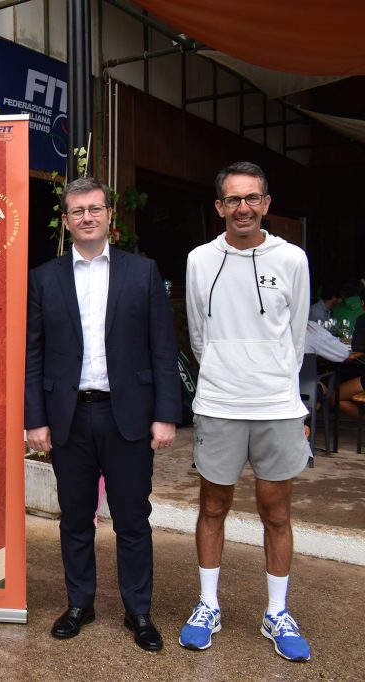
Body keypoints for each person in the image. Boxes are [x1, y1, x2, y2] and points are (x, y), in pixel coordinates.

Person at [25, 176, 181, 652]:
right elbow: (33, 354)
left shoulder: (143, 272)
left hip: (127, 416)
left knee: (133, 518)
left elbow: (162, 347)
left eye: (95, 208)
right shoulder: (44, 277)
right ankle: (80, 604)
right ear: (66, 220)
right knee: (74, 518)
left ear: (109, 216)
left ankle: (139, 611)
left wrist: (166, 414)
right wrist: (36, 419)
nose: (87, 217)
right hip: (69, 416)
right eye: (78, 211)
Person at [181, 161, 312, 661]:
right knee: (212, 508)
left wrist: (273, 377)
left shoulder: (293, 259)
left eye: (252, 198)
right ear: (219, 207)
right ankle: (207, 604)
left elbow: (296, 336)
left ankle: (276, 611)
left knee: (275, 512)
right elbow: (198, 334)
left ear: (266, 204)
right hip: (218, 402)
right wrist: (224, 368)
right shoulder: (198, 260)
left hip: (276, 404)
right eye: (233, 200)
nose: (243, 208)